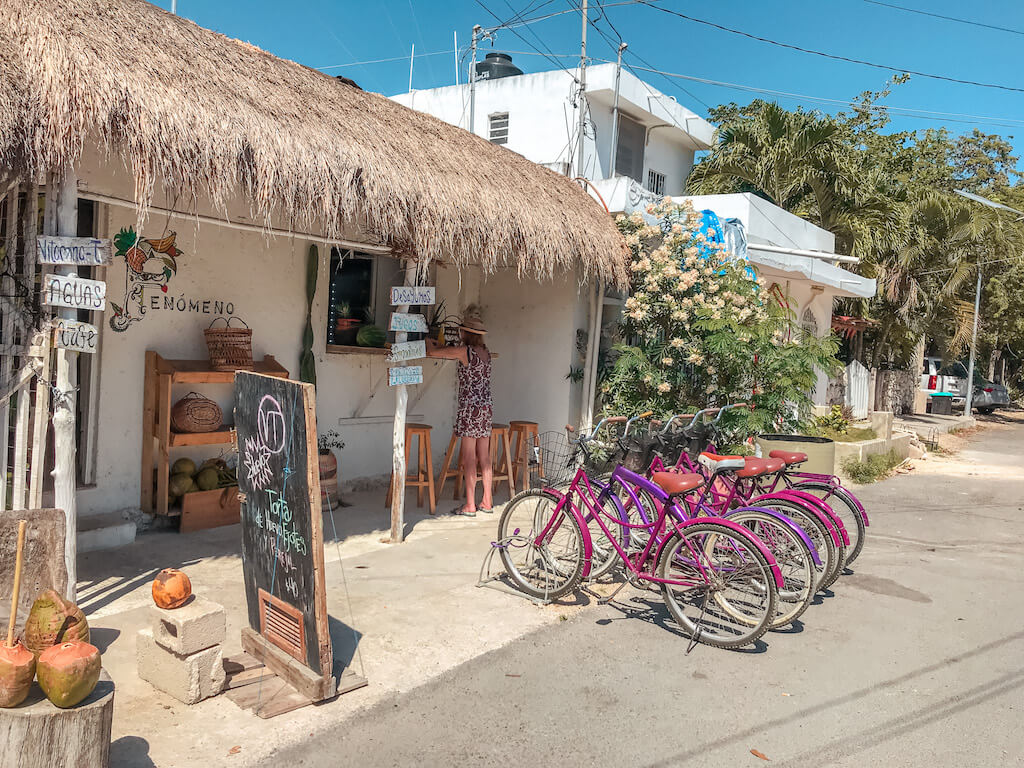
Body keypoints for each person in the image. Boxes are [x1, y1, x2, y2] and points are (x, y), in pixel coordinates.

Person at [425, 305, 493, 516]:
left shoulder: (465, 352)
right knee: (485, 457)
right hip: (485, 408)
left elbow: (433, 352)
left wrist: (428, 340)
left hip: (469, 409)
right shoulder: (485, 352)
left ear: (467, 333)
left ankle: (470, 505)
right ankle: (487, 501)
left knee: (469, 457)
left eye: (462, 330)